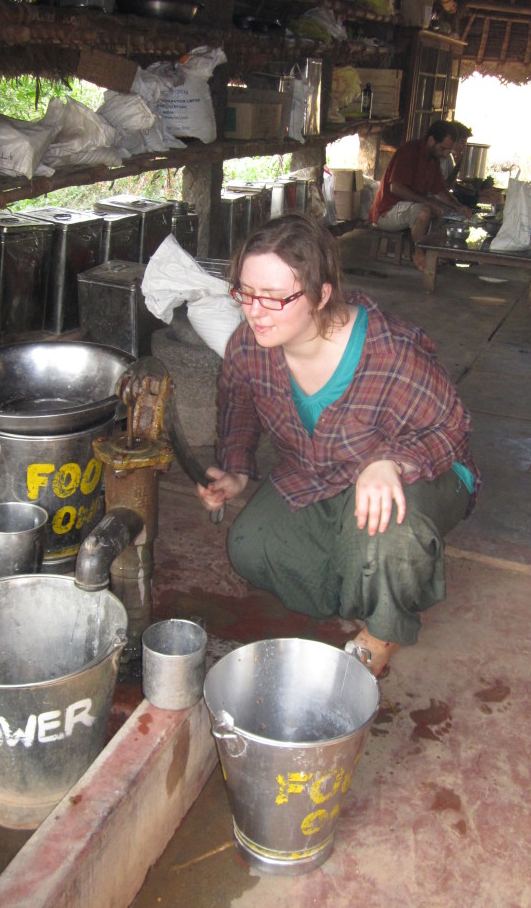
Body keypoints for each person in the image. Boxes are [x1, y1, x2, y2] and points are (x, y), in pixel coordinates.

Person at [196, 214, 480, 678]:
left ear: (321, 295)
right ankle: (366, 580)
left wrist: (393, 462)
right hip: (322, 470)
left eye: (275, 297)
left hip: (428, 468)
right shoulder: (249, 345)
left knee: (387, 530)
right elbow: (237, 407)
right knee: (251, 546)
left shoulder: (388, 351)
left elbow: (453, 429)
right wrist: (236, 470)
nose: (255, 311)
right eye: (245, 292)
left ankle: (383, 627)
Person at [369, 120, 472, 270]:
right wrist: (428, 202)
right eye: (443, 149)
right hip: (386, 212)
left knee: (447, 212)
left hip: (408, 208)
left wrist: (458, 206)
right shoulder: (409, 151)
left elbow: (439, 191)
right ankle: (420, 254)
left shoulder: (433, 159)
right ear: (431, 140)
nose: (445, 154)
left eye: (447, 151)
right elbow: (396, 188)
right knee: (424, 211)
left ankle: (436, 252)